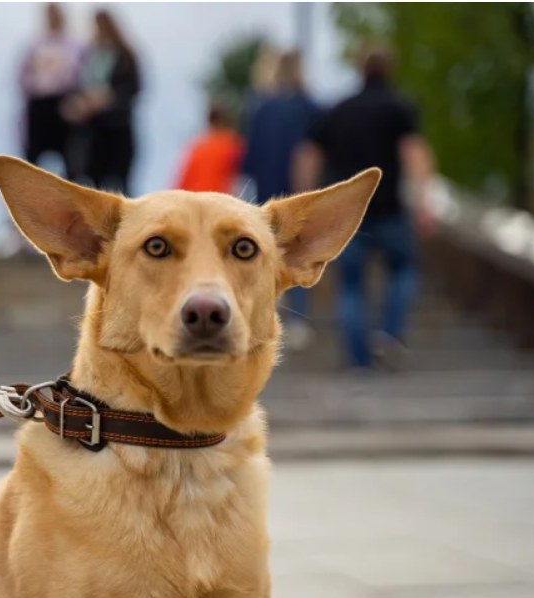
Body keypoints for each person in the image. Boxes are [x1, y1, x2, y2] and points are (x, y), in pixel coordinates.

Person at [293, 45, 436, 371]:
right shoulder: (399, 108)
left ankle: (358, 361)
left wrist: (305, 204)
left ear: (360, 69)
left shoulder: (339, 110)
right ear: (390, 70)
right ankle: (389, 332)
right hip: (390, 211)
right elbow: (414, 155)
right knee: (403, 270)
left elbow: (307, 156)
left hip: (348, 217)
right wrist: (425, 202)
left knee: (351, 286)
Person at [242, 51, 321, 351]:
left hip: (267, 195)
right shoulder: (310, 108)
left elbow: (249, 158)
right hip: (300, 195)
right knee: (300, 255)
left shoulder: (261, 108)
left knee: (266, 255)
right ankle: (298, 321)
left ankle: (263, 319)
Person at [63, 9, 141, 195]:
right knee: (94, 184)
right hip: (92, 132)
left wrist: (108, 99)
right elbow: (74, 88)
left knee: (121, 182)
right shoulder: (87, 56)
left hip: (117, 128)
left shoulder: (125, 56)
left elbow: (132, 89)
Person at [18, 3, 83, 177]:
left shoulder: (73, 45)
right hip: (38, 103)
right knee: (32, 157)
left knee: (68, 157)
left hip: (62, 104)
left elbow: (77, 74)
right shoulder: (34, 44)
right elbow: (22, 75)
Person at [174, 104, 244, 194]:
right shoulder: (234, 145)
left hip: (197, 198)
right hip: (221, 199)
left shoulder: (198, 147)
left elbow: (184, 180)